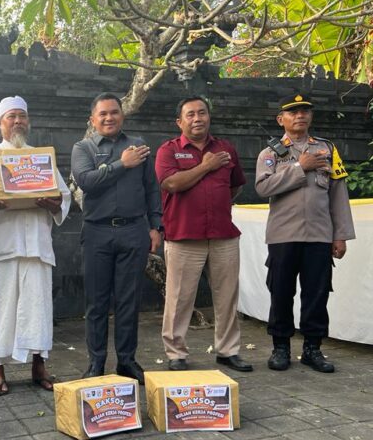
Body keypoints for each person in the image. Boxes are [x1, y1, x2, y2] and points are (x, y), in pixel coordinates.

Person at [0, 96, 71, 395]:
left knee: (38, 307)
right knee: (1, 307)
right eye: (11, 117)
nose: (17, 122)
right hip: (2, 244)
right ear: (0, 123)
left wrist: (54, 204)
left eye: (22, 117)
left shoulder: (42, 159)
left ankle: (39, 364)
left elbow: (63, 197)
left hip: (37, 245)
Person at [255, 93, 355, 373]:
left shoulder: (327, 150)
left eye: (305, 111)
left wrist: (340, 235)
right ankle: (281, 348)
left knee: (317, 294)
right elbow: (263, 188)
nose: (300, 116)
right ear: (281, 119)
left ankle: (313, 348)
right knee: (281, 292)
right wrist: (301, 167)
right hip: (283, 236)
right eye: (293, 112)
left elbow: (338, 194)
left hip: (319, 236)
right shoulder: (271, 153)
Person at [155, 96, 253, 372]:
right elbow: (171, 183)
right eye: (190, 115)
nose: (197, 118)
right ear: (180, 121)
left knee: (227, 296)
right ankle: (176, 354)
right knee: (179, 298)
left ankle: (227, 351)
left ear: (209, 116)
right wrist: (206, 166)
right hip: (184, 236)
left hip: (223, 235)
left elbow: (235, 187)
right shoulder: (169, 150)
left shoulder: (226, 149)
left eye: (202, 113)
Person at [71, 93, 163, 384]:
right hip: (97, 231)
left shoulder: (138, 145)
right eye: (103, 114)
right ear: (92, 120)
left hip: (133, 230)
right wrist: (121, 164)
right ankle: (96, 361)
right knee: (96, 302)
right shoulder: (82, 147)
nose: (109, 118)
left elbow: (152, 188)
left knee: (128, 300)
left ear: (122, 115)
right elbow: (85, 182)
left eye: (114, 112)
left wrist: (155, 226)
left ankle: (126, 360)